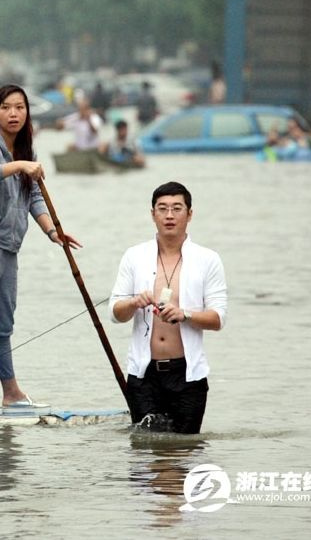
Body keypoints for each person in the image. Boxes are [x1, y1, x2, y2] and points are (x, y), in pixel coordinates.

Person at [0, 84, 82, 413]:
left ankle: (10, 392)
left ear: (27, 113)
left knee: (3, 325)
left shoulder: (27, 147)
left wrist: (53, 232)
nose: (14, 114)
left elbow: (34, 197)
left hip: (9, 250)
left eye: (20, 108)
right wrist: (18, 166)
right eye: (6, 108)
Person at [109, 182, 227, 433]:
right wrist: (133, 302)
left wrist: (184, 314)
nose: (170, 215)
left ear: (190, 214)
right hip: (143, 374)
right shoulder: (134, 256)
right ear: (153, 214)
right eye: (162, 208)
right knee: (144, 459)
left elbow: (218, 318)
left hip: (188, 374)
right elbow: (115, 313)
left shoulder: (208, 259)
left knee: (183, 455)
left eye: (177, 208)